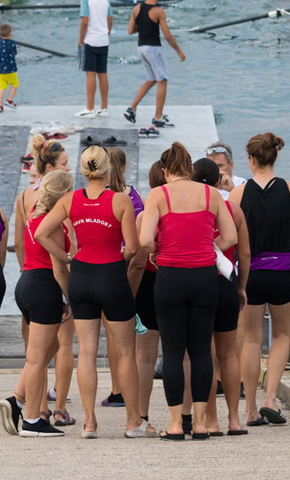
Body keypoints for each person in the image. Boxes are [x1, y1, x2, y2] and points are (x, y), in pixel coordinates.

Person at [36, 146, 150, 439]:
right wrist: (115, 258)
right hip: (111, 276)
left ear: (84, 170)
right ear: (109, 169)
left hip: (82, 277)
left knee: (86, 352)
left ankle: (89, 422)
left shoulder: (70, 199)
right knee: (125, 352)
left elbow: (40, 233)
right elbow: (134, 248)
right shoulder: (121, 201)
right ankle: (132, 422)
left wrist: (66, 258)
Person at [138, 142, 237, 440]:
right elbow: (230, 236)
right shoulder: (210, 194)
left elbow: (144, 240)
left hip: (170, 277)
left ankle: (176, 425)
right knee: (200, 350)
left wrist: (158, 251)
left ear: (166, 171)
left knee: (172, 351)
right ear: (190, 168)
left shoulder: (159, 194)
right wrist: (207, 250)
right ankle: (202, 423)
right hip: (205, 277)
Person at [232, 132, 290, 426]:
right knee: (281, 335)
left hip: (251, 274)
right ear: (274, 158)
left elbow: (224, 232)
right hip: (283, 272)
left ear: (251, 159)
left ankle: (249, 410)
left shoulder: (238, 194)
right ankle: (270, 399)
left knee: (250, 340)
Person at [0, 170, 75, 437]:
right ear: (64, 195)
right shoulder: (53, 224)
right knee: (35, 359)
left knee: (50, 346)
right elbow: (59, 268)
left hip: (27, 281)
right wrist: (69, 297)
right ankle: (31, 420)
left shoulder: (33, 212)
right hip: (45, 285)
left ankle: (17, 399)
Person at [191, 158, 250, 436]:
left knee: (204, 354)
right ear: (219, 180)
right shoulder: (232, 208)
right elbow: (245, 253)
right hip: (226, 280)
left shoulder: (189, 207)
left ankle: (211, 421)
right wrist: (242, 287)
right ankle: (235, 419)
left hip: (201, 281)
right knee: (228, 354)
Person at [98, 146, 143, 408]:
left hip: (109, 268)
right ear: (124, 168)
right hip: (133, 268)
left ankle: (118, 389)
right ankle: (127, 386)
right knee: (128, 338)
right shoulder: (135, 198)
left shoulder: (105, 199)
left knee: (113, 336)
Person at [126, 161, 164, 427]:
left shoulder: (149, 211)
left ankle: (141, 416)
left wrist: (128, 295)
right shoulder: (187, 206)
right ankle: (187, 416)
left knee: (144, 356)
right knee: (181, 353)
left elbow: (139, 262)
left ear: (150, 184)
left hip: (150, 281)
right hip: (181, 276)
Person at [124, 0, 185, 135]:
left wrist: (143, 26)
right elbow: (168, 36)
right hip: (153, 48)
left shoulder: (137, 8)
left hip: (141, 48)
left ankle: (132, 108)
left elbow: (130, 30)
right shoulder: (158, 11)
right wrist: (179, 51)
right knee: (162, 80)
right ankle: (157, 118)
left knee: (151, 79)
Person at [74, 0, 113, 119]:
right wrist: (106, 34)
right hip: (103, 40)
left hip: (90, 40)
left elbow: (84, 22)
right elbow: (110, 20)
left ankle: (90, 107)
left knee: (90, 74)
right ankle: (103, 107)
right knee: (102, 73)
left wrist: (80, 40)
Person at [0, 23, 19, 112]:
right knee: (15, 84)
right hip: (11, 69)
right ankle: (9, 100)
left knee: (2, 87)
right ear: (10, 33)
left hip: (0, 70)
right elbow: (14, 53)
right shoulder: (12, 43)